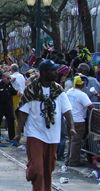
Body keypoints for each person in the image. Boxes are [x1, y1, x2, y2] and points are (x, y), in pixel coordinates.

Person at [14, 59, 76, 191]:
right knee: (38, 169)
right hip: (35, 134)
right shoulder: (31, 90)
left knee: (48, 169)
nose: (56, 73)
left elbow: (67, 111)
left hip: (52, 135)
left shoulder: (58, 90)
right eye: (53, 70)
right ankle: (32, 174)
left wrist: (72, 128)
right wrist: (19, 133)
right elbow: (23, 113)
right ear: (44, 73)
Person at [65, 74, 94, 166]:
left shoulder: (69, 91)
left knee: (70, 140)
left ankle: (68, 160)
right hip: (78, 121)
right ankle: (74, 161)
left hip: (68, 119)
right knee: (76, 141)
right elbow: (90, 106)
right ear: (81, 84)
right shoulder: (82, 94)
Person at [0, 72, 22, 143]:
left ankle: (12, 136)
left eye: (9, 78)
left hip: (7, 106)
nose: (9, 80)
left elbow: (12, 91)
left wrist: (17, 92)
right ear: (3, 78)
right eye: (7, 78)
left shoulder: (9, 85)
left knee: (11, 119)